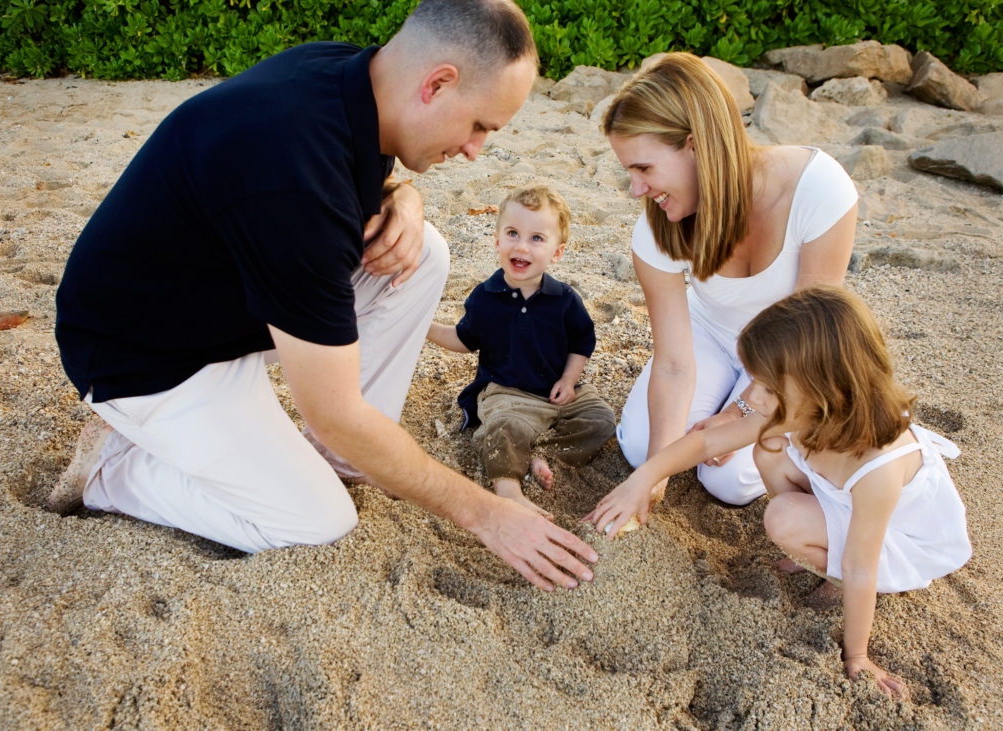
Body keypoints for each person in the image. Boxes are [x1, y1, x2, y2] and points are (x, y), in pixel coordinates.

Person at [47, 0, 599, 592]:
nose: (475, 150)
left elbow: (340, 179)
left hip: (219, 301)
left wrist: (404, 196)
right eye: (481, 125)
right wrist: (487, 514)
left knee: (424, 251)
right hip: (144, 358)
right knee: (318, 522)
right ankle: (115, 470)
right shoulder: (295, 186)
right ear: (437, 84)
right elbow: (331, 409)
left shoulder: (347, 76)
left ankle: (347, 460)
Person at [587, 286, 972, 698]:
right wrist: (640, 481)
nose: (749, 398)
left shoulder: (878, 465)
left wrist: (856, 655)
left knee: (783, 518)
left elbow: (863, 566)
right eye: (753, 381)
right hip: (842, 500)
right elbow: (705, 444)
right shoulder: (811, 413)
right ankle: (816, 541)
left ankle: (825, 565)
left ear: (825, 390)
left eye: (768, 388)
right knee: (768, 446)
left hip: (898, 540)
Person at [603, 52, 858, 506]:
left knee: (730, 481)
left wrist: (740, 412)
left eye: (643, 168)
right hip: (713, 332)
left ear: (695, 144)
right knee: (643, 448)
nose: (636, 189)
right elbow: (674, 362)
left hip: (793, 354)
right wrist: (654, 475)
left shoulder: (818, 189)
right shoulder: (657, 226)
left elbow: (811, 340)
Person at [427, 185, 616, 517]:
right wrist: (425, 328)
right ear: (497, 240)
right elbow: (464, 339)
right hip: (506, 393)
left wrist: (570, 381)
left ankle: (545, 455)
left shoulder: (564, 299)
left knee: (601, 419)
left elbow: (582, 342)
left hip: (557, 391)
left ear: (557, 252)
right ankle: (509, 490)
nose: (522, 246)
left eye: (537, 238)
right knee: (502, 430)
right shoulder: (485, 297)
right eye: (513, 233)